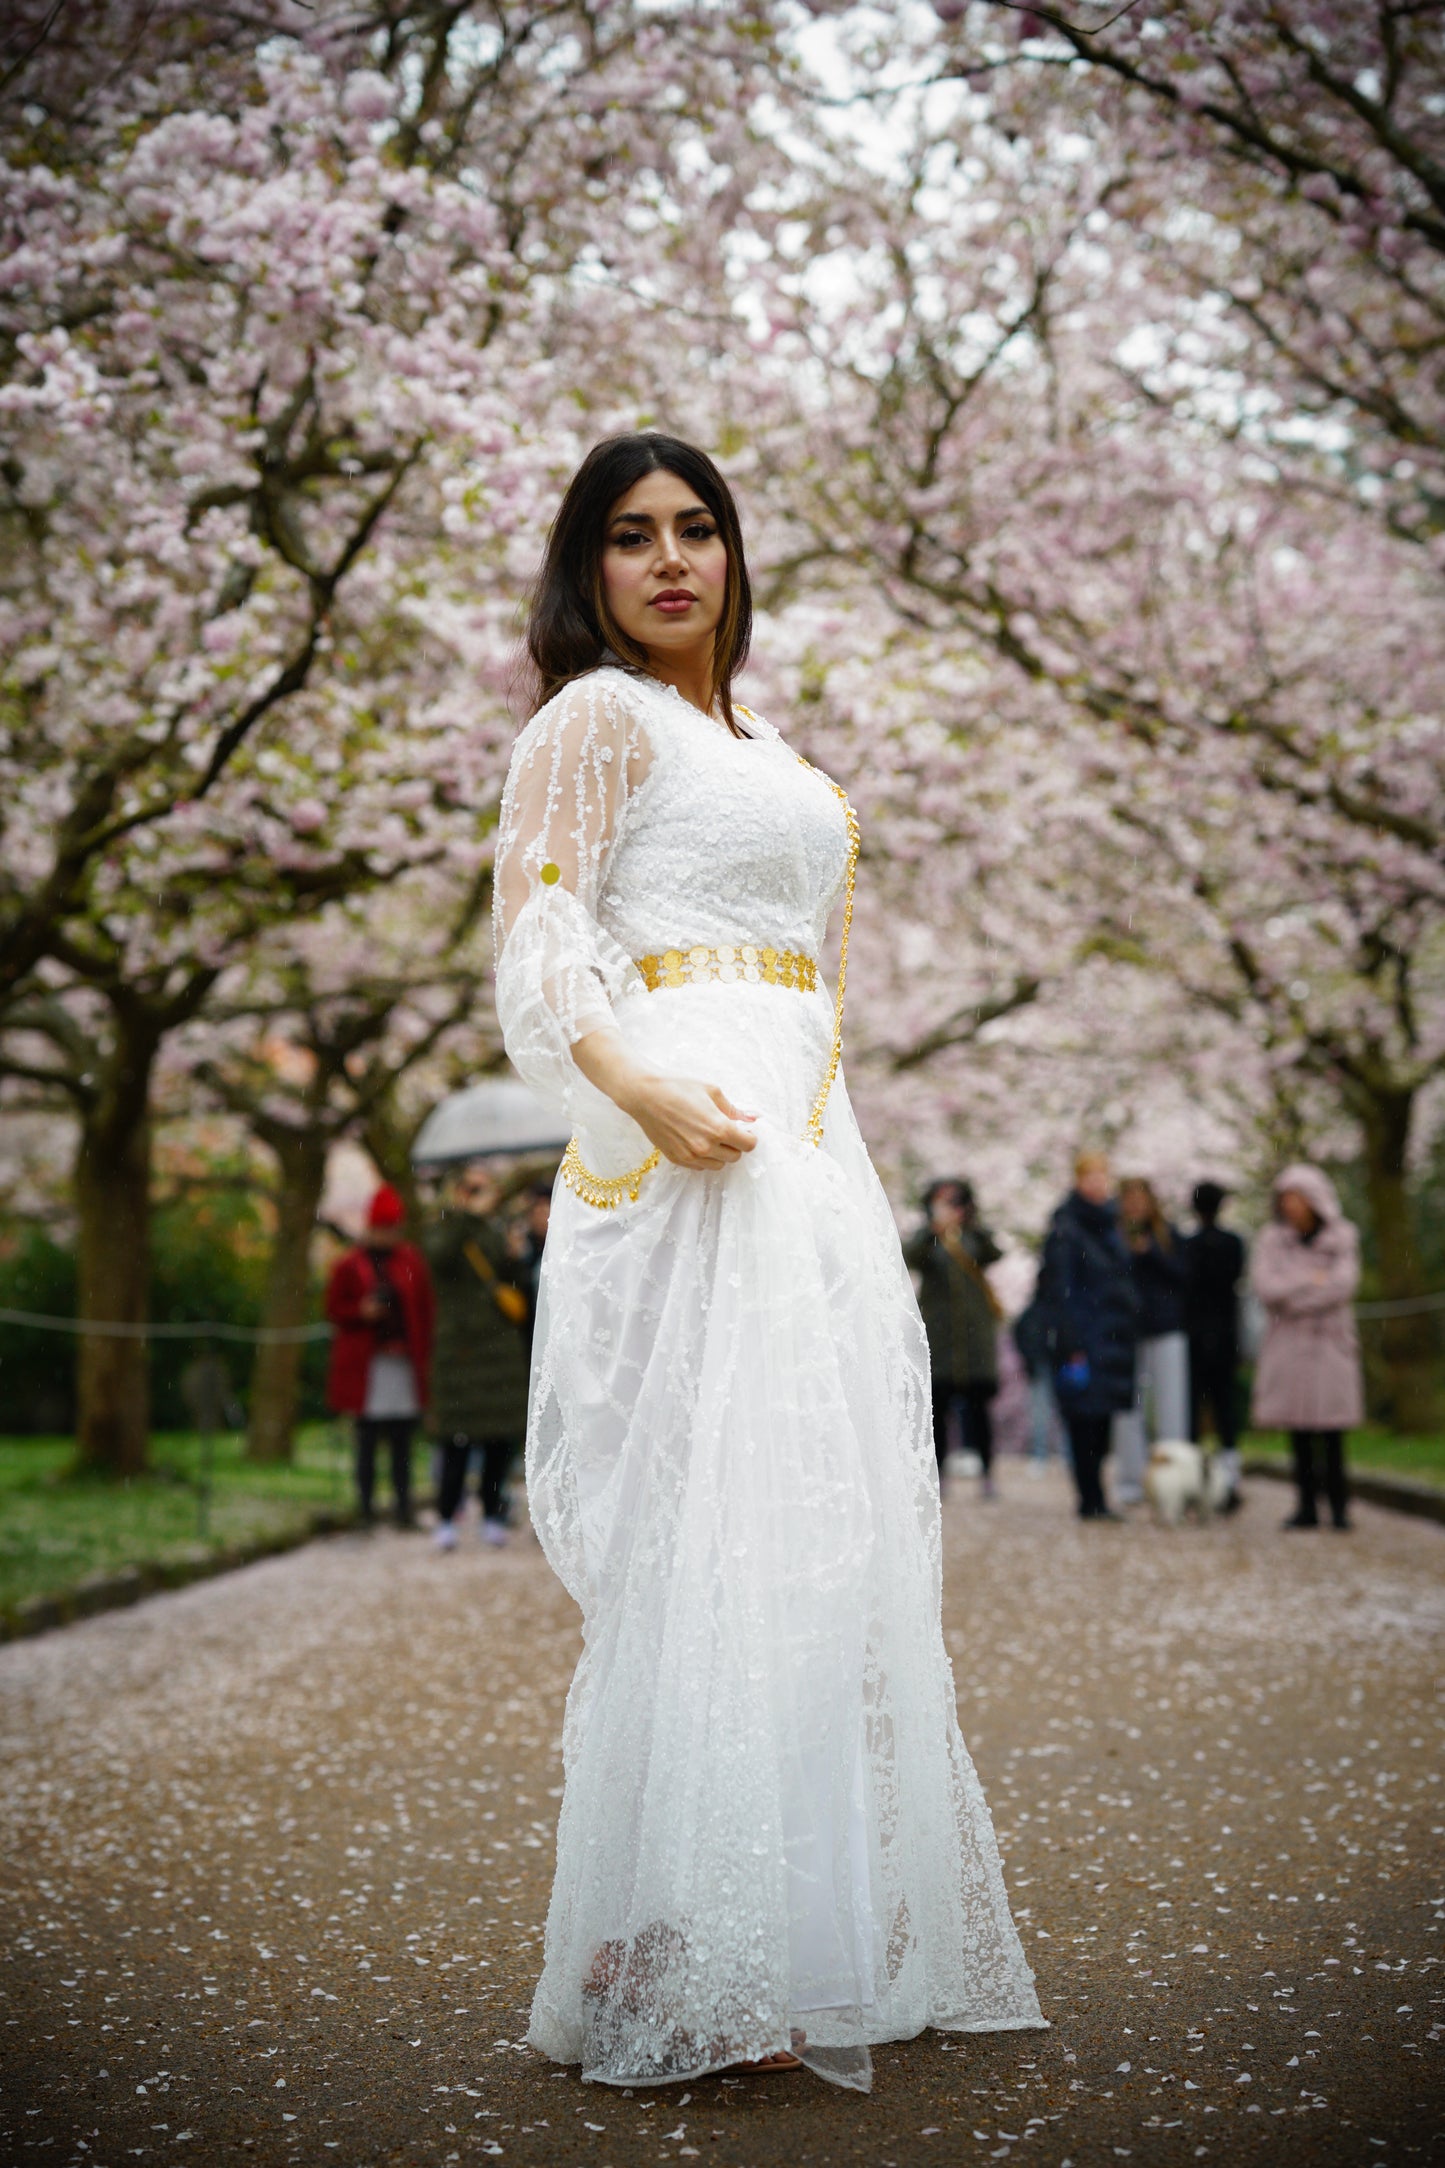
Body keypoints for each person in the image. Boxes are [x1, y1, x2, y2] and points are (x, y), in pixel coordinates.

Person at [492, 432, 1044, 2092]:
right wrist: (643, 1085)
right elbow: (540, 926)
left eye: (698, 529)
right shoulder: (598, 719)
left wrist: (821, 1167)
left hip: (804, 1166)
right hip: (673, 1156)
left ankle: (769, 1927)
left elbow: (823, 986)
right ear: (588, 568)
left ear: (735, 555)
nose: (670, 558)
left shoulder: (786, 759)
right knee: (699, 1536)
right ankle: (671, 1941)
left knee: (811, 1543)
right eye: (631, 535)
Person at [423, 1165, 531, 1550]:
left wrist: (516, 1256)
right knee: (456, 1438)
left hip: (498, 1349)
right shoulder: (445, 1227)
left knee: (498, 1440)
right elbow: (437, 1258)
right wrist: (465, 1215)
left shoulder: (496, 1230)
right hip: (461, 1348)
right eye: (471, 1187)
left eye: (484, 1188)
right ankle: (447, 1515)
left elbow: (515, 1285)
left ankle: (492, 1512)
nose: (479, 1194)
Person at [1250, 1164, 1363, 1532]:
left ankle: (1339, 1507)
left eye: (1297, 1198)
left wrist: (1294, 1291)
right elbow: (1267, 1289)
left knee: (1332, 1431)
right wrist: (1312, 1281)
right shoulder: (1271, 1239)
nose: (1291, 1206)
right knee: (1298, 1430)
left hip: (1329, 1344)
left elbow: (1342, 1287)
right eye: (1285, 1199)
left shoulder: (1343, 1236)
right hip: (1289, 1346)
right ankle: (1305, 1507)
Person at [1035, 1153, 1139, 1521]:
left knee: (1101, 1422)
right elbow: (1058, 1290)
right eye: (1090, 1176)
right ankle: (1089, 1498)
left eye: (1102, 1175)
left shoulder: (1112, 1226)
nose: (1097, 1183)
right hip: (1083, 1340)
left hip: (1110, 1338)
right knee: (1083, 1422)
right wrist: (1072, 1342)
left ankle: (1098, 1497)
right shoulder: (1067, 1228)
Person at [324, 1183, 435, 1528]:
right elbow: (333, 1308)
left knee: (402, 1440)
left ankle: (404, 1508)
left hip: (402, 1363)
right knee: (368, 1441)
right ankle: (366, 1510)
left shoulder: (410, 1261)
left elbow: (426, 1309)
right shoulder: (350, 1264)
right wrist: (362, 1312)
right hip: (367, 1366)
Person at [904, 1179, 1004, 1496]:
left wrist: (969, 1224)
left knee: (979, 1411)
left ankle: (987, 1473)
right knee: (937, 1410)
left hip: (974, 1340)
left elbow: (993, 1252)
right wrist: (933, 1230)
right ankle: (938, 1473)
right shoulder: (928, 1238)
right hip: (939, 1337)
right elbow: (910, 1256)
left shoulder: (974, 1236)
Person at [1111, 1177, 1189, 1506]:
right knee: (1128, 1409)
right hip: (1127, 1330)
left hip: (1166, 1327)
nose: (1135, 1206)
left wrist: (1150, 1253)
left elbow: (1184, 1276)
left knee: (1172, 1406)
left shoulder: (1168, 1236)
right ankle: (1131, 1479)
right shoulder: (1112, 1237)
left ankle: (1175, 1481)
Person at [1183, 1181, 1246, 1510]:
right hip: (1223, 1336)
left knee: (1194, 1412)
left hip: (1195, 1337)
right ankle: (1228, 1483)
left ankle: (1195, 1483)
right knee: (1225, 1413)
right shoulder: (1233, 1244)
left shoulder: (1188, 1246)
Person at [1011, 1285, 1063, 1473]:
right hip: (1042, 1366)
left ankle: (1058, 1455)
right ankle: (1045, 1455)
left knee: (1046, 1413)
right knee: (1042, 1413)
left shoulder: (1038, 1311)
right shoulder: (1041, 1312)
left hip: (1051, 1365)